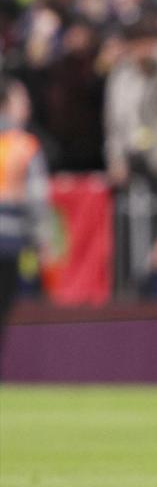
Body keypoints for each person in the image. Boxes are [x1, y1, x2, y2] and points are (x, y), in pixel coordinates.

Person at [0, 77, 51, 356]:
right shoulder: (25, 146)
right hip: (10, 241)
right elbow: (36, 199)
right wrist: (42, 239)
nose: (28, 105)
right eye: (22, 100)